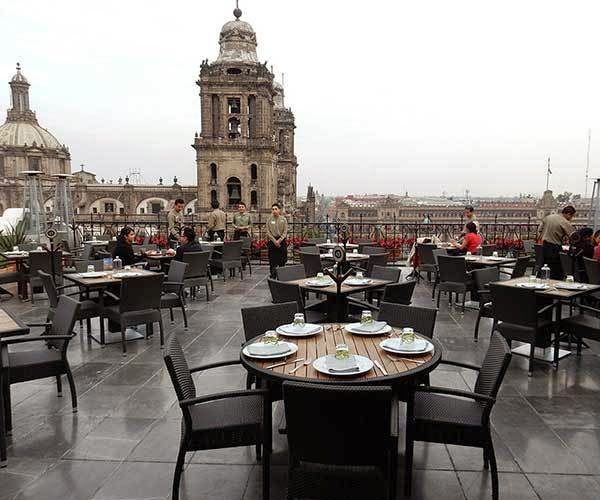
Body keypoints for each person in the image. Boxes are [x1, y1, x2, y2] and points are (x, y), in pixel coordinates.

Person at [539, 205, 576, 279]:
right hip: (554, 248)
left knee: (544, 267)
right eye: (572, 216)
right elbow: (573, 236)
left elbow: (540, 230)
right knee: (555, 270)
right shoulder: (564, 222)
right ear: (568, 214)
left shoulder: (549, 217)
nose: (571, 219)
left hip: (544, 245)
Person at [266, 202, 288, 278]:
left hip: (281, 241)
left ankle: (281, 275)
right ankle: (273, 275)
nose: (274, 211)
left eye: (276, 209)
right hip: (272, 241)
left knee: (282, 260)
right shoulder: (269, 220)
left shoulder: (284, 219)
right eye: (273, 209)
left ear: (279, 210)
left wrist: (279, 240)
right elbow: (268, 232)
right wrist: (274, 241)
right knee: (272, 260)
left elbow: (285, 232)